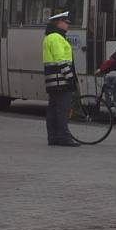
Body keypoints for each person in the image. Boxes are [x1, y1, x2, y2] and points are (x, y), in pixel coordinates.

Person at [42, 11, 80, 147]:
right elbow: (61, 61)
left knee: (53, 110)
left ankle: (53, 137)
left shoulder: (50, 37)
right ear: (58, 22)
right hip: (60, 81)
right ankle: (64, 137)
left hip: (53, 81)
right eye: (65, 22)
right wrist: (70, 79)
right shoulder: (56, 38)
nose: (67, 25)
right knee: (62, 110)